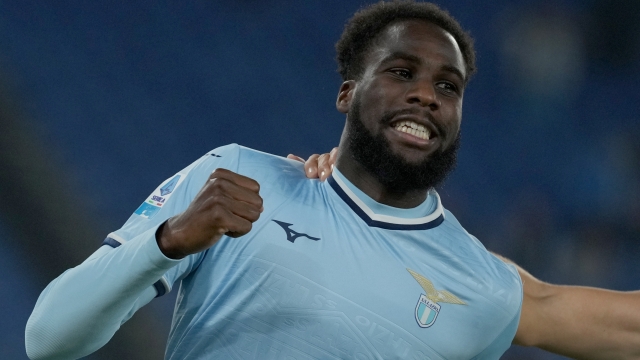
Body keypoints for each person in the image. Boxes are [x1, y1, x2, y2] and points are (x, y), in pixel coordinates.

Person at [25, 1, 640, 359]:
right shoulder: (236, 180)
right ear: (348, 93)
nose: (426, 94)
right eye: (401, 72)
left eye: (448, 87)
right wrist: (167, 241)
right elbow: (49, 339)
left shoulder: (481, 285)